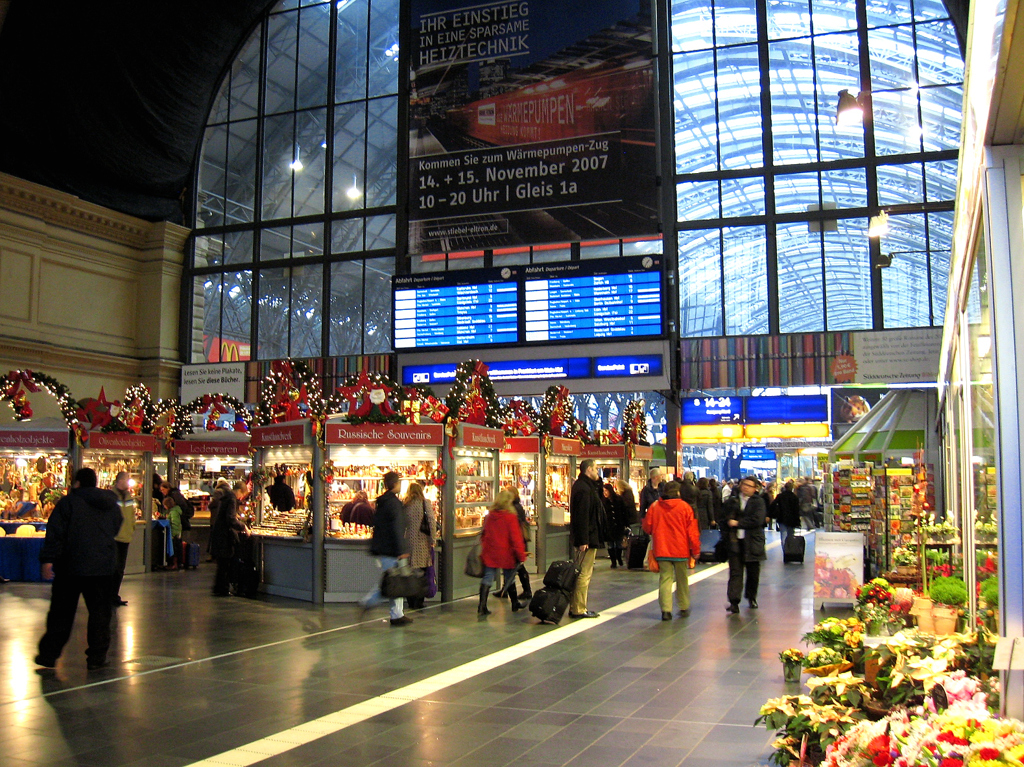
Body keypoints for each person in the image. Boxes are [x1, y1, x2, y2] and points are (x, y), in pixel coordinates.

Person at [35, 467, 122, 670]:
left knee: (61, 612)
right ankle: (97, 657)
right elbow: (117, 527)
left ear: (77, 483)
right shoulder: (110, 504)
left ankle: (49, 655)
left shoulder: (68, 503)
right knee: (100, 614)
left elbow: (55, 532)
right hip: (102, 566)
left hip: (70, 566)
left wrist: (48, 560)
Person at [359, 472, 411, 626]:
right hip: (391, 549)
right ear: (395, 484)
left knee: (394, 581)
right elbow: (397, 527)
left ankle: (397, 614)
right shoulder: (394, 503)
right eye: (399, 482)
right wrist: (401, 549)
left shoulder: (382, 502)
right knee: (393, 582)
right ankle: (368, 603)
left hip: (383, 548)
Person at [642, 481, 700, 620]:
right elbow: (692, 531)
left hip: (662, 549)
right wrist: (696, 549)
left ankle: (666, 610)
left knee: (665, 579)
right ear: (679, 492)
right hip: (681, 549)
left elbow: (647, 527)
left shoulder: (655, 507)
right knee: (682, 579)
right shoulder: (685, 507)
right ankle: (683, 605)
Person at [478, 488, 527, 616]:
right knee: (510, 577)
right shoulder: (510, 517)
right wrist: (521, 555)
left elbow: (484, 534)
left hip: (491, 551)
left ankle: (482, 605)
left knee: (488, 577)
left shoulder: (489, 516)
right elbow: (516, 538)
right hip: (506, 553)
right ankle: (515, 603)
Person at [723, 475, 767, 613]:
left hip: (753, 542)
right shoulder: (733, 500)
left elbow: (757, 520)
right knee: (735, 572)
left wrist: (738, 523)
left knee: (753, 572)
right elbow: (724, 517)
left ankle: (751, 597)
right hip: (735, 542)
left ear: (755, 489)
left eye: (749, 486)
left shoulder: (758, 502)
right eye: (744, 484)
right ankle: (734, 601)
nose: (745, 488)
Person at [569, 458, 605, 619]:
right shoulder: (583, 489)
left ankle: (577, 605)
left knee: (582, 572)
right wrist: (583, 540)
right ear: (588, 469)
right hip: (587, 537)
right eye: (596, 469)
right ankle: (578, 608)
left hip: (588, 535)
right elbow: (582, 516)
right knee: (584, 573)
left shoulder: (585, 486)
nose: (598, 472)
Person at [209, 481, 246, 597]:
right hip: (224, 536)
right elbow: (230, 518)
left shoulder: (226, 497)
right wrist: (242, 526)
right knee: (225, 563)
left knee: (221, 564)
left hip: (219, 534)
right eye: (242, 495)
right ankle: (223, 589)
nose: (241, 498)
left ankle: (218, 588)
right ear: (239, 491)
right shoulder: (231, 499)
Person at [402, 482, 434, 610]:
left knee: (410, 573)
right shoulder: (425, 503)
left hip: (408, 541)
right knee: (422, 572)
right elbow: (431, 521)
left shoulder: (405, 504)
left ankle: (410, 600)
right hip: (422, 541)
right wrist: (433, 539)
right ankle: (419, 601)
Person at [110, 471, 135, 606]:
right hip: (115, 537)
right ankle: (109, 595)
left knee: (119, 569)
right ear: (119, 481)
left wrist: (131, 528)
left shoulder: (128, 496)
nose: (128, 482)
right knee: (113, 568)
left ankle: (114, 595)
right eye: (126, 480)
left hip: (125, 537)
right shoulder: (112, 496)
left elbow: (131, 515)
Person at [508, 485, 533, 601]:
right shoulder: (518, 506)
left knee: (518, 566)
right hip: (519, 539)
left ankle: (527, 590)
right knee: (514, 566)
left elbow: (515, 526)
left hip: (518, 540)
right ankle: (506, 588)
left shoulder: (514, 508)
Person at [770, 480, 802, 547]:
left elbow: (773, 505)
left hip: (782, 517)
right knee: (791, 534)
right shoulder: (794, 497)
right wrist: (798, 521)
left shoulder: (780, 496)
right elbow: (796, 510)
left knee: (783, 534)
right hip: (792, 519)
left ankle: (784, 548)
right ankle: (790, 549)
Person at [160, 495, 183, 571]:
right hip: (176, 533)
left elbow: (175, 523)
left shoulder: (173, 512)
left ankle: (175, 564)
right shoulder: (173, 511)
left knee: (175, 550)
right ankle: (175, 564)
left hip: (174, 534)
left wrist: (173, 534)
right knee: (176, 549)